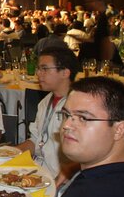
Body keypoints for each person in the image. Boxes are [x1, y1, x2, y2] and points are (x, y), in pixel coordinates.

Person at [16, 47, 81, 185]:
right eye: (39, 68)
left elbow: (84, 155)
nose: (38, 73)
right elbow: (34, 140)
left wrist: (59, 180)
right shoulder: (45, 102)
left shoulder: (78, 107)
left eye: (44, 69)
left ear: (65, 72)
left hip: (64, 181)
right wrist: (9, 153)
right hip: (38, 173)